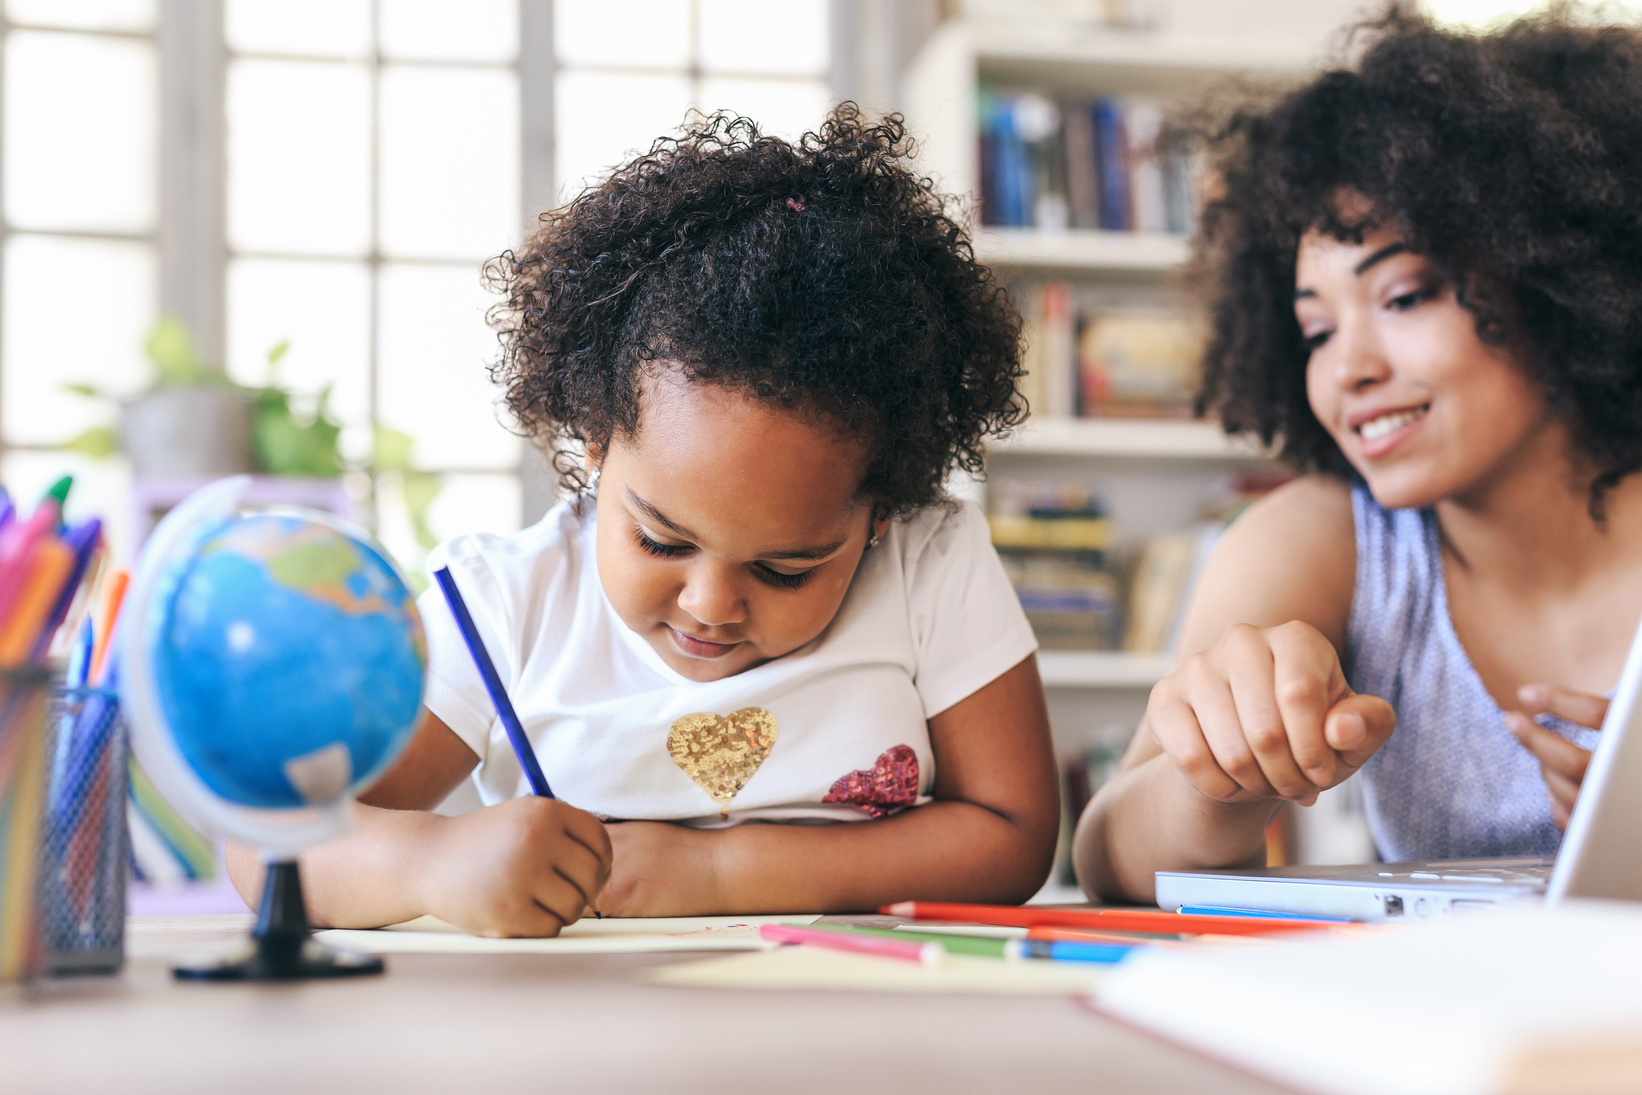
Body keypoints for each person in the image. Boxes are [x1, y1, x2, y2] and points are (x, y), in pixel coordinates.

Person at [228, 106, 1059, 935]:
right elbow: (268, 843)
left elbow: (1014, 833)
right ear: (595, 443)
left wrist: (717, 871)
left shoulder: (931, 564)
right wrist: (430, 863)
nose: (710, 603)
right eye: (662, 539)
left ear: (881, 513)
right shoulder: (503, 607)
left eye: (786, 568)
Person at [1074, 7, 1642, 903]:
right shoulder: (1328, 539)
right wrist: (1217, 774)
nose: (1351, 369)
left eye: (1406, 295)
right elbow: (1109, 853)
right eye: (1316, 329)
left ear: (1557, 279)